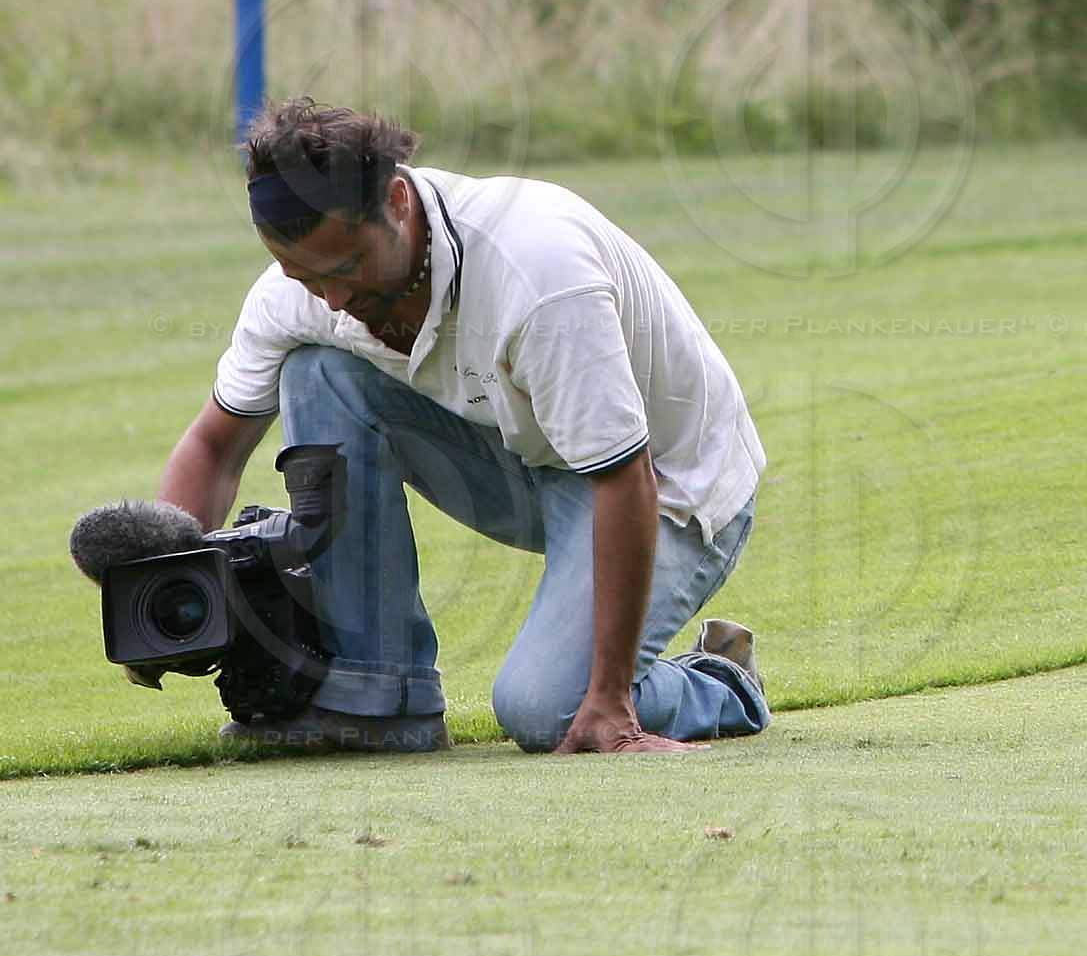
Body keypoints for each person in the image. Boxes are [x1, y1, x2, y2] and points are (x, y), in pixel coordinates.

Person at [157, 96, 771, 755]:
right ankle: (381, 698)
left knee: (547, 710)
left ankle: (721, 677)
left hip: (667, 481)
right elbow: (215, 446)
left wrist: (611, 699)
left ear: (396, 200)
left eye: (345, 267)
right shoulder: (301, 293)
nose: (332, 299)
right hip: (522, 453)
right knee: (314, 369)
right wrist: (161, 586)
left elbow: (625, 476)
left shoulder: (537, 272)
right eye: (303, 275)